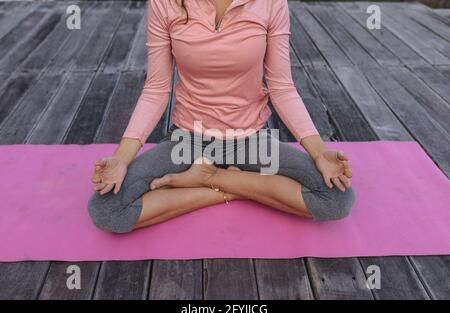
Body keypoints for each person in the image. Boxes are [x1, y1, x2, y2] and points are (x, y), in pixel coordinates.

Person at [88, 0, 355, 234]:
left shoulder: (271, 3)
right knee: (107, 209)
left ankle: (209, 178)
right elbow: (156, 90)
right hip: (187, 142)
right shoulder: (164, 3)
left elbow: (282, 88)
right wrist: (122, 158)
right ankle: (231, 188)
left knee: (336, 198)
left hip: (251, 142)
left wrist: (319, 153)